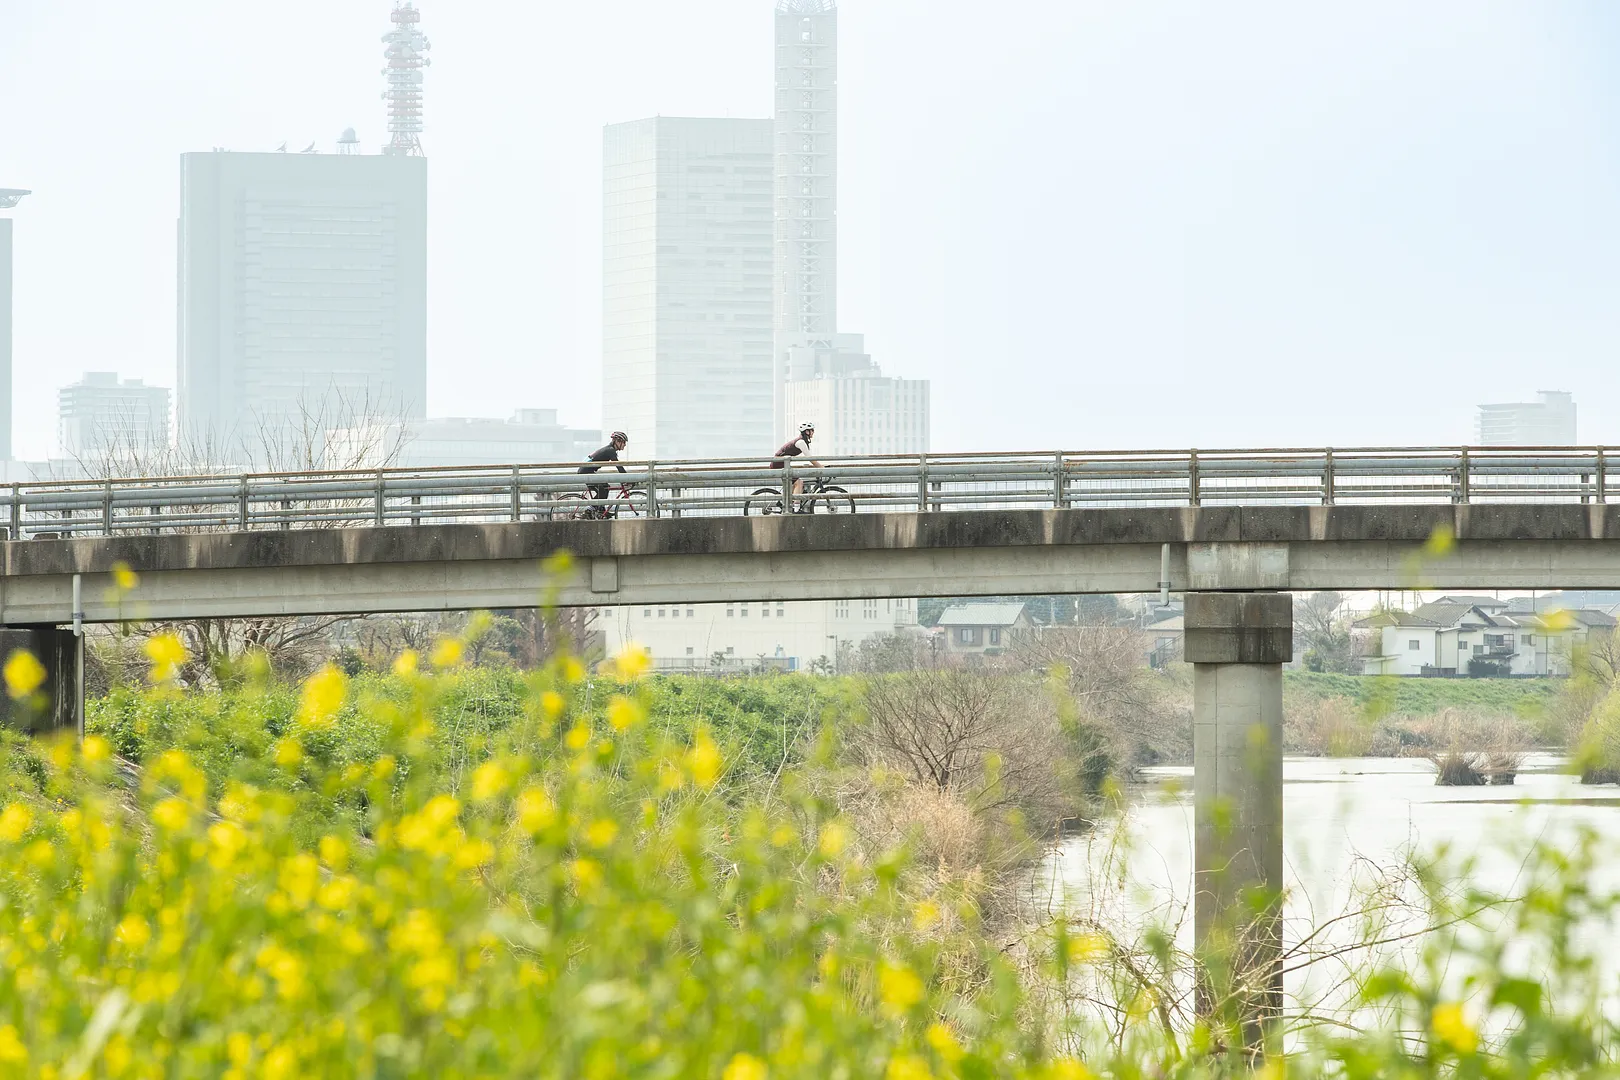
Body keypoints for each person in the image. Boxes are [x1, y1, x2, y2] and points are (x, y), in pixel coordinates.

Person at [771, 422, 822, 512]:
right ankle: (796, 508)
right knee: (799, 482)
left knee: (794, 483)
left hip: (781, 463)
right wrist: (822, 468)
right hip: (779, 463)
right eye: (812, 430)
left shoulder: (802, 441)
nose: (813, 432)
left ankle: (783, 502)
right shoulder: (801, 442)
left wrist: (821, 466)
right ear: (807, 432)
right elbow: (810, 458)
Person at [579, 431, 629, 517]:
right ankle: (589, 509)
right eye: (624, 442)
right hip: (586, 471)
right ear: (617, 441)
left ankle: (601, 509)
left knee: (605, 487)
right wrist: (628, 478)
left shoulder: (610, 449)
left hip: (586, 470)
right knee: (603, 488)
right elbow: (618, 466)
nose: (625, 445)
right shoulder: (610, 450)